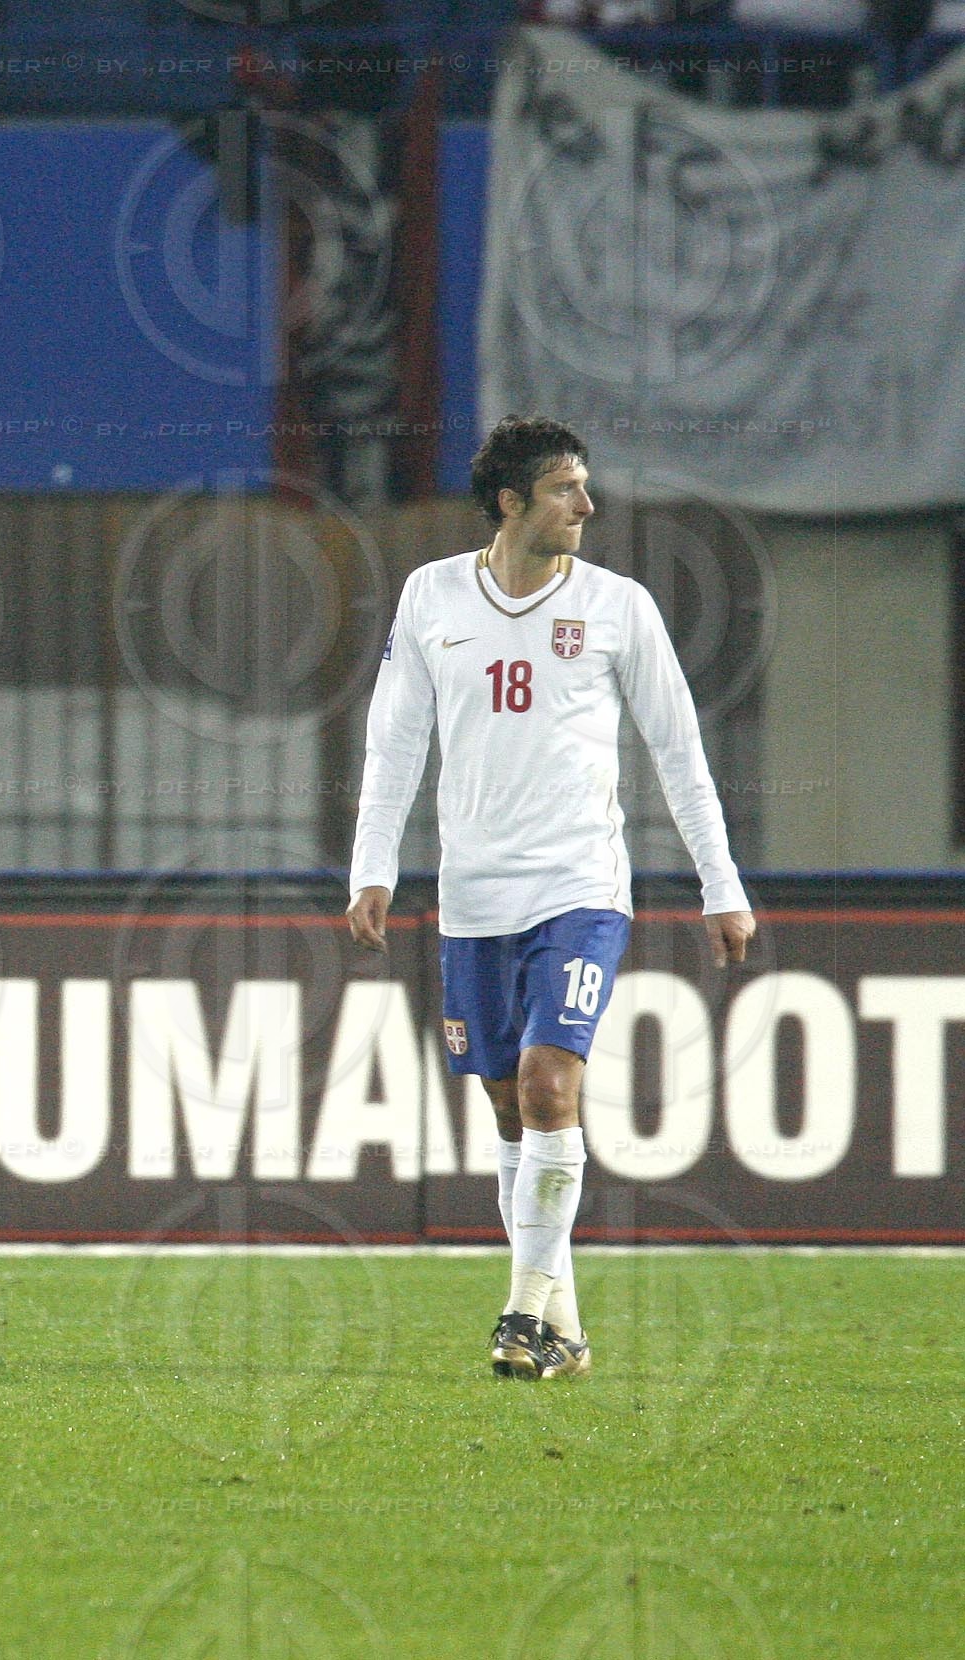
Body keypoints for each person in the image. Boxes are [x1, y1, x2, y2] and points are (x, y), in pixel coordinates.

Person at [345, 414, 755, 1382]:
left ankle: (522, 1315)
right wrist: (372, 865)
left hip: (580, 885)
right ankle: (562, 1322)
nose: (588, 505)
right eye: (568, 488)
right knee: (505, 1111)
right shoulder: (432, 595)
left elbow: (678, 751)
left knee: (546, 1084)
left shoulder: (619, 608)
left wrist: (720, 882)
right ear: (511, 501)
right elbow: (395, 737)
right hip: (473, 897)